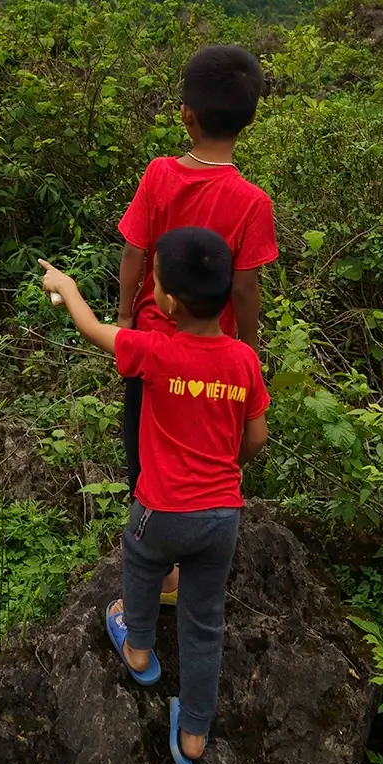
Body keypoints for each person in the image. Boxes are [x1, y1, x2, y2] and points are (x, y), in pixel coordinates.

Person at [39, 228, 269, 764]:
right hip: (222, 518)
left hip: (161, 510)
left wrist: (66, 284)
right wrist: (225, 468)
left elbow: (93, 328)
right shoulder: (242, 361)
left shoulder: (154, 350)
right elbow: (256, 438)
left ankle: (139, 649)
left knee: (141, 560)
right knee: (205, 618)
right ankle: (192, 736)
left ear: (165, 300)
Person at [118, 45, 276, 548]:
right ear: (248, 119)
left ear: (186, 116)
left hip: (151, 344)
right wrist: (245, 348)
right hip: (213, 355)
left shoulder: (159, 175)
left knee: (144, 453)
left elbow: (132, 254)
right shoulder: (252, 202)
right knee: (203, 453)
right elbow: (246, 286)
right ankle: (193, 555)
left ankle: (154, 561)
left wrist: (125, 319)